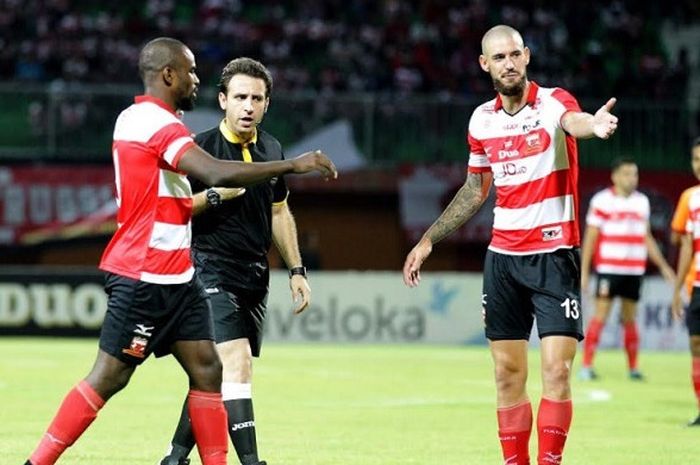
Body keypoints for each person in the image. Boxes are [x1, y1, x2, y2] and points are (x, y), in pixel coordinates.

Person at [22, 37, 336, 465]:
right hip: (144, 274)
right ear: (168, 75)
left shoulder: (145, 121)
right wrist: (293, 165)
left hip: (179, 276)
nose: (195, 79)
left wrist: (293, 264)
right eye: (189, 71)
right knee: (109, 377)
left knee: (209, 370)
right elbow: (210, 171)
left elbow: (175, 203)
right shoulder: (158, 126)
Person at [402, 25, 617, 465]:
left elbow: (572, 122)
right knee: (507, 375)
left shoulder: (554, 101)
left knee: (557, 370)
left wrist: (592, 124)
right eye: (499, 58)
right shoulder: (481, 120)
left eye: (515, 54)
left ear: (528, 56)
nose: (509, 63)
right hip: (503, 261)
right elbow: (474, 189)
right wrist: (428, 240)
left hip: (555, 257)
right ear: (485, 65)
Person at [159, 57, 313, 465]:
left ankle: (174, 458)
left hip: (254, 274)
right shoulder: (199, 150)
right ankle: (251, 461)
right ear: (223, 100)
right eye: (240, 97)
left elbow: (280, 212)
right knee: (235, 360)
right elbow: (169, 208)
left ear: (266, 104)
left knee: (213, 374)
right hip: (207, 267)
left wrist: (296, 269)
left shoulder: (273, 149)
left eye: (257, 98)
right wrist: (211, 196)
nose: (248, 105)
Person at [578, 157, 675, 381]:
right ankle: (586, 365)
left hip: (633, 270)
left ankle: (633, 368)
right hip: (608, 269)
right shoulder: (602, 201)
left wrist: (664, 267)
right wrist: (583, 272)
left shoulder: (641, 201)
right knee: (600, 316)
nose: (632, 179)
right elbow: (590, 238)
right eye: (627, 174)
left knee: (630, 318)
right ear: (614, 176)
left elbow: (647, 237)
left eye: (634, 174)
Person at [671, 137, 700, 427]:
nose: (698, 166)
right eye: (695, 160)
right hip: (698, 285)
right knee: (695, 343)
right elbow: (687, 247)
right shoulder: (691, 198)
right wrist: (678, 289)